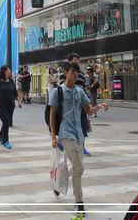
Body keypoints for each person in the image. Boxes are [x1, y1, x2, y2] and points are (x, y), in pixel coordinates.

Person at [49, 62, 109, 215]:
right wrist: (53, 137)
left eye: (77, 72)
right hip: (65, 133)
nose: (76, 75)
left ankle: (58, 183)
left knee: (77, 167)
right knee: (78, 167)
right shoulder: (57, 92)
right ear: (66, 72)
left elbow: (88, 110)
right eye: (73, 72)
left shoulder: (80, 91)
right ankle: (79, 202)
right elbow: (52, 114)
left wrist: (99, 107)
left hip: (79, 134)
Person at [0, 65, 21, 149]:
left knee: (6, 122)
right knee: (6, 121)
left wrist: (19, 101)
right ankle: (6, 140)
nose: (10, 71)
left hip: (10, 106)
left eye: (10, 70)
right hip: (0, 106)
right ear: (4, 71)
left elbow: (15, 93)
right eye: (8, 70)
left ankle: (1, 135)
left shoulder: (11, 81)